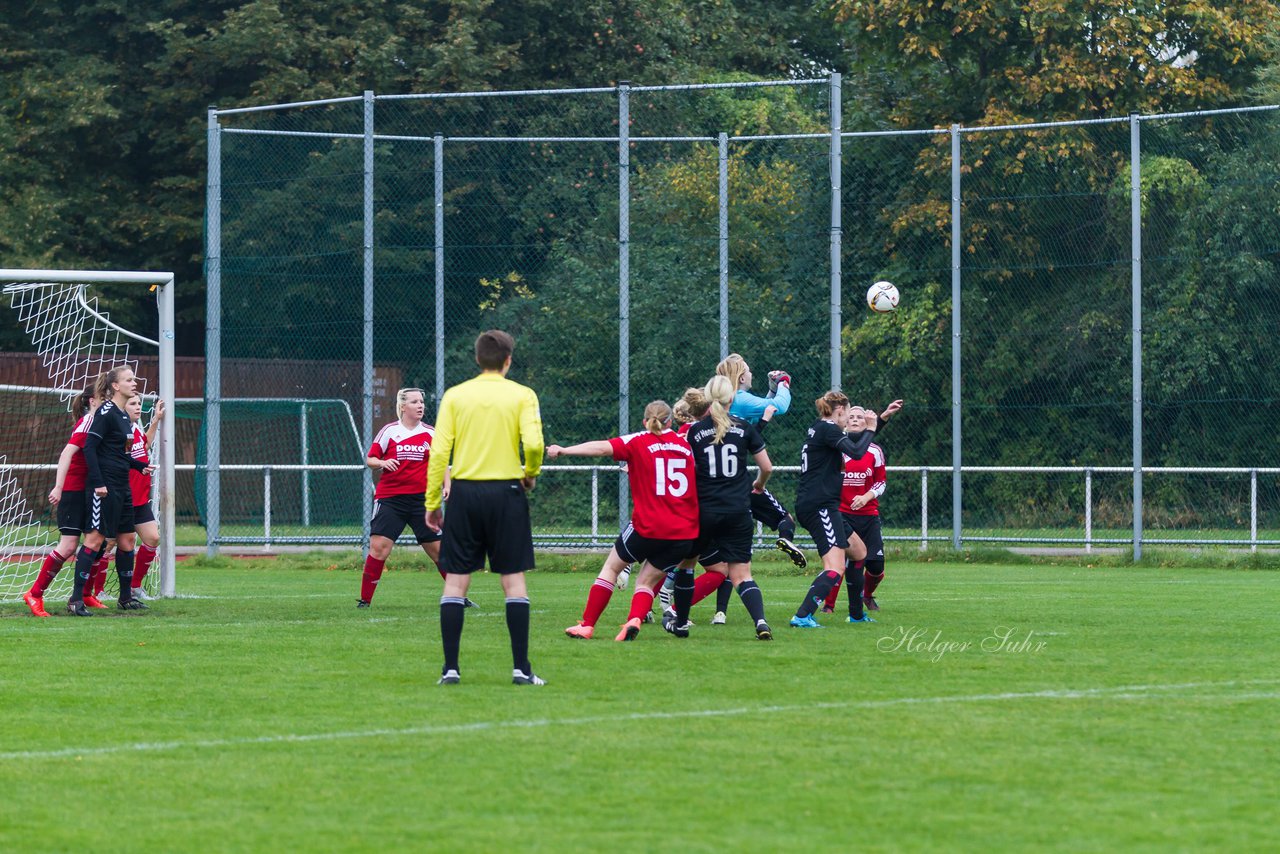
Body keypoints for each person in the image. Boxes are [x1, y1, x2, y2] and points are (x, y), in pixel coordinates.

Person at [425, 331, 545, 686]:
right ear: (508, 360)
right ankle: (521, 669)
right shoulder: (522, 395)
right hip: (506, 493)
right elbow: (534, 444)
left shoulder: (456, 396)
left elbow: (438, 453)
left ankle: (450, 669)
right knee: (513, 581)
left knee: (457, 582)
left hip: (463, 495)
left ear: (477, 359)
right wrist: (530, 473)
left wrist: (433, 502)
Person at [549, 400, 699, 642]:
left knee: (611, 568)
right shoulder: (685, 445)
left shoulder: (638, 440)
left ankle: (587, 625)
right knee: (646, 581)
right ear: (671, 421)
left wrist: (565, 450)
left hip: (648, 526)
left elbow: (601, 448)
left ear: (644, 421)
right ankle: (635, 619)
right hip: (683, 532)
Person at [667, 378, 775, 640]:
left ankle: (680, 624)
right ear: (731, 399)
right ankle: (760, 622)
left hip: (705, 510)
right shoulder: (744, 428)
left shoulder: (694, 432)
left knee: (687, 565)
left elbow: (686, 469)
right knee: (741, 575)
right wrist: (759, 485)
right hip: (738, 510)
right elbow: (767, 467)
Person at [359, 387, 462, 608]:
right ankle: (365, 600)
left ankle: (458, 597)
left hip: (422, 502)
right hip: (391, 499)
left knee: (438, 551)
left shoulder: (431, 433)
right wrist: (383, 462)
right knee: (379, 548)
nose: (420, 405)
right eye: (415, 402)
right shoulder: (389, 431)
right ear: (403, 406)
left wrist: (448, 483)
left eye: (422, 402)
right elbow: (370, 459)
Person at [788, 390, 878, 628]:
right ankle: (802, 615)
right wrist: (871, 428)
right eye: (848, 414)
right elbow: (858, 452)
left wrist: (877, 424)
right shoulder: (828, 429)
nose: (849, 419)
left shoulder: (822, 428)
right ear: (840, 411)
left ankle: (857, 614)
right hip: (819, 506)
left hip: (825, 505)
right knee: (835, 567)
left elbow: (855, 443)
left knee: (859, 552)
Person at [68, 367, 152, 615]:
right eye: (129, 379)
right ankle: (76, 600)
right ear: (115, 386)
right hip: (103, 488)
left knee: (127, 541)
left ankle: (125, 598)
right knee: (95, 541)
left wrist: (139, 466)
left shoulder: (123, 416)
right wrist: (98, 483)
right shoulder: (105, 413)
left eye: (134, 379)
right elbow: (90, 449)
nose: (134, 382)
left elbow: (118, 453)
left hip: (122, 486)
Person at [714, 354, 806, 570]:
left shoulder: (726, 403)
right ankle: (786, 537)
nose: (751, 372)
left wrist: (772, 391)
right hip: (737, 480)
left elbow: (759, 415)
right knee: (785, 519)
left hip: (713, 482)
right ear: (741, 377)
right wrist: (783, 382)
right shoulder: (741, 399)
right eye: (747, 369)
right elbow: (779, 407)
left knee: (698, 552)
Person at [23, 387, 101, 617]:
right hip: (73, 491)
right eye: (103, 398)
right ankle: (35, 594)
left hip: (88, 491)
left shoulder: (102, 422)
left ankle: (83, 595)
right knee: (68, 545)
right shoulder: (88, 421)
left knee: (97, 542)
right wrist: (59, 487)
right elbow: (66, 453)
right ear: (92, 401)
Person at [823, 405, 891, 622]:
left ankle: (867, 596)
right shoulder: (837, 446)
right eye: (850, 416)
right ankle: (828, 605)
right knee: (839, 562)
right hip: (842, 514)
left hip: (868, 515)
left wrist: (867, 496)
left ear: (867, 423)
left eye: (859, 417)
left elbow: (881, 482)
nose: (854, 419)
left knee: (876, 566)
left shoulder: (875, 451)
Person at [124, 393, 166, 601]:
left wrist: (156, 420)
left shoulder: (136, 429)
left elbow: (145, 444)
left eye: (139, 403)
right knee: (110, 543)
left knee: (153, 538)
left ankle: (134, 586)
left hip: (140, 499)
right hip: (123, 497)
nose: (138, 406)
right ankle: (94, 592)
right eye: (133, 403)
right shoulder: (120, 431)